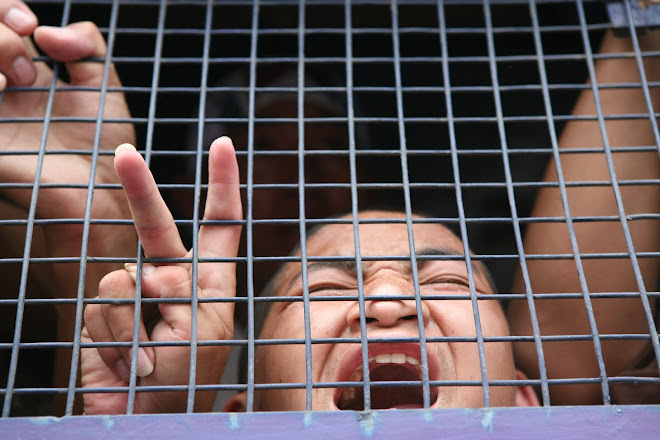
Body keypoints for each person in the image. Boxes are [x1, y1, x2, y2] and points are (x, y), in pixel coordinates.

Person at [0, 1, 657, 414]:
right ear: (243, 410)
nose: (389, 303)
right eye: (319, 288)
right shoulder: (173, 381)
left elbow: (578, 352)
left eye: (450, 280)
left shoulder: (557, 390)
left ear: (523, 397)